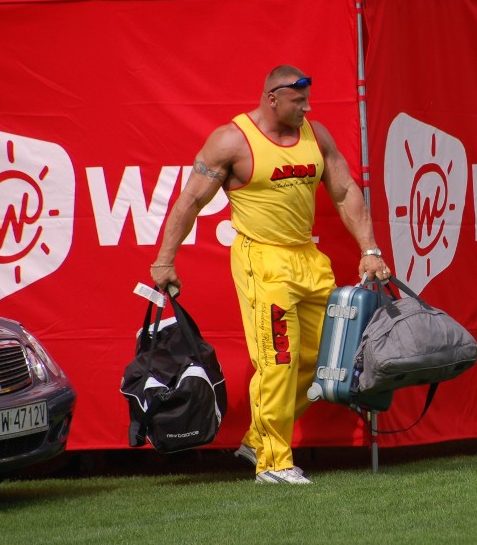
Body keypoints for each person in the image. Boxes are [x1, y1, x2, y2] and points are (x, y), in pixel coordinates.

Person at [150, 65, 391, 484]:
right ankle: (274, 463)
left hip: (308, 258)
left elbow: (346, 190)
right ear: (272, 98)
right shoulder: (233, 141)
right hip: (262, 260)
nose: (307, 107)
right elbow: (189, 201)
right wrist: (164, 260)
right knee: (278, 359)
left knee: (332, 358)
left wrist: (369, 250)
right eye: (298, 102)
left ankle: (259, 436)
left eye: (307, 100)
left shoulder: (317, 136)